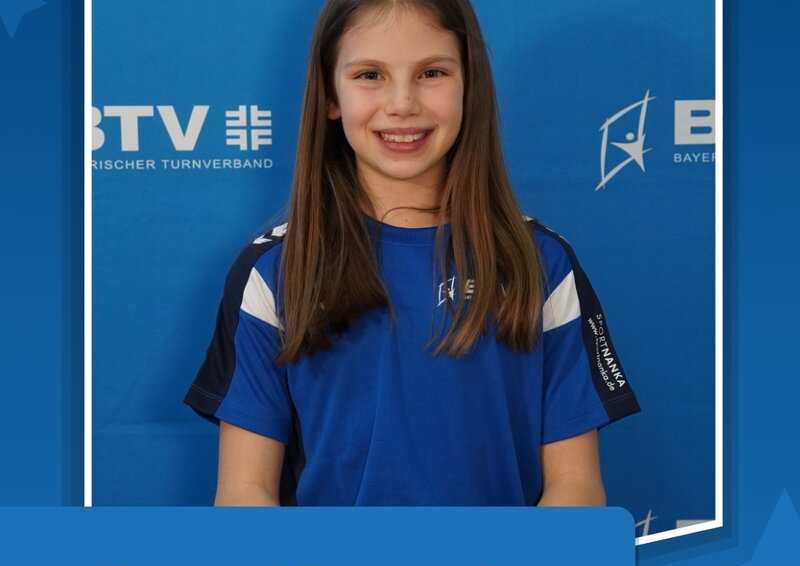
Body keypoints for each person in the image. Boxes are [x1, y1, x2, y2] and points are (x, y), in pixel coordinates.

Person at [184, 0, 640, 507]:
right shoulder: (274, 271)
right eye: (370, 75)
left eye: (431, 73)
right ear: (331, 95)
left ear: (469, 86)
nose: (402, 103)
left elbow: (575, 486)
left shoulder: (541, 263)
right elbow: (245, 491)